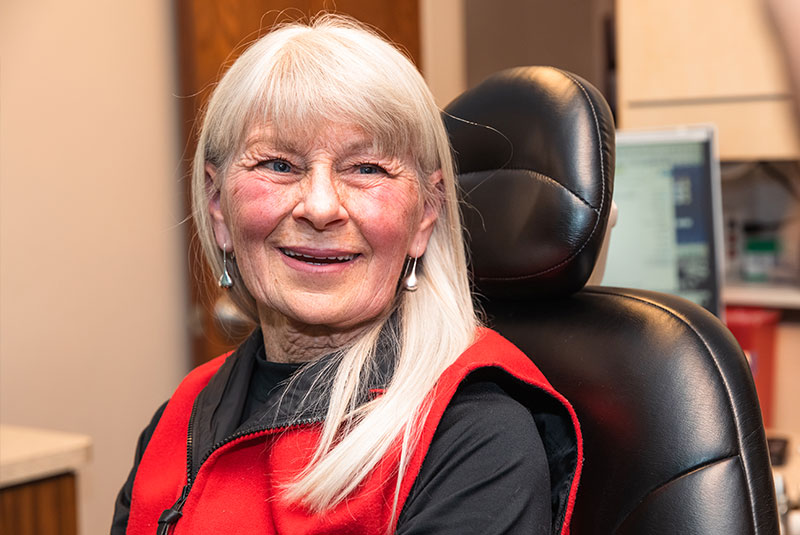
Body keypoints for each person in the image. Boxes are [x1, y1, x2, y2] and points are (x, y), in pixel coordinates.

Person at [111, 15, 581, 535]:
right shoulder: (178, 420)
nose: (319, 206)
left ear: (424, 216)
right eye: (279, 164)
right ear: (218, 205)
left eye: (367, 169)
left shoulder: (474, 438)